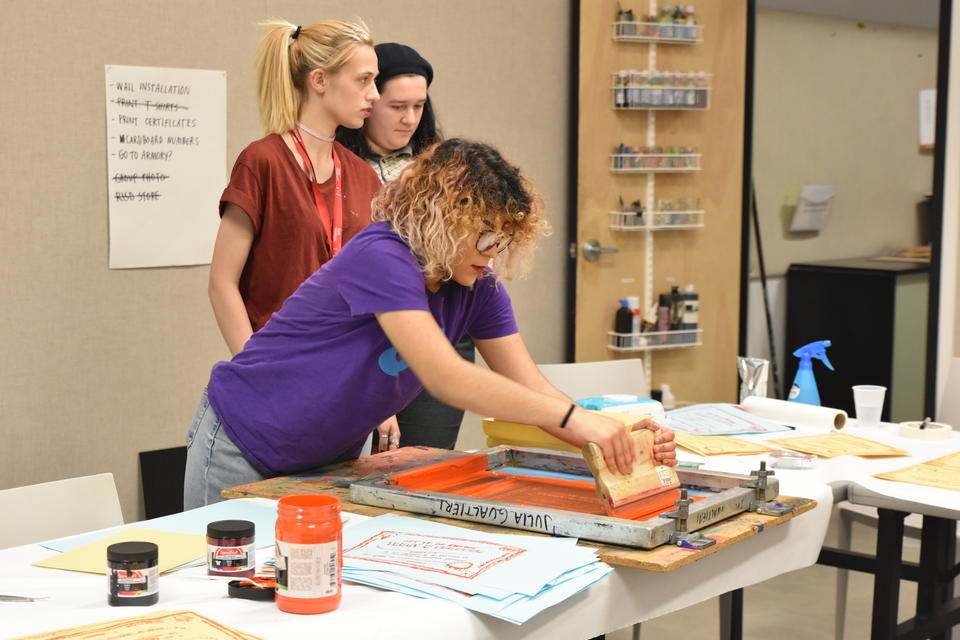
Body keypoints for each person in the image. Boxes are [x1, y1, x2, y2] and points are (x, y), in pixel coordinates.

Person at [184, 139, 677, 509]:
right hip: (242, 441)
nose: (493, 255)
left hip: (322, 459)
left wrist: (616, 437)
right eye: (487, 237)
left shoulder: (478, 289)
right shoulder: (382, 254)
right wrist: (577, 421)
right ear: (448, 216)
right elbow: (447, 377)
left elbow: (532, 388)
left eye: (503, 241)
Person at [208, 19, 383, 357]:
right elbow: (222, 283)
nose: (374, 94)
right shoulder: (263, 162)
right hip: (279, 368)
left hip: (347, 370)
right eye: (363, 80)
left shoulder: (363, 176)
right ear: (319, 80)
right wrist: (254, 369)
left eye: (374, 81)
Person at [337, 42, 472, 452]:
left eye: (419, 106)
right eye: (397, 106)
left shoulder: (442, 167)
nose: (409, 118)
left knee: (426, 464)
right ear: (369, 100)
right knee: (361, 475)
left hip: (439, 327)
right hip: (363, 336)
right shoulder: (336, 165)